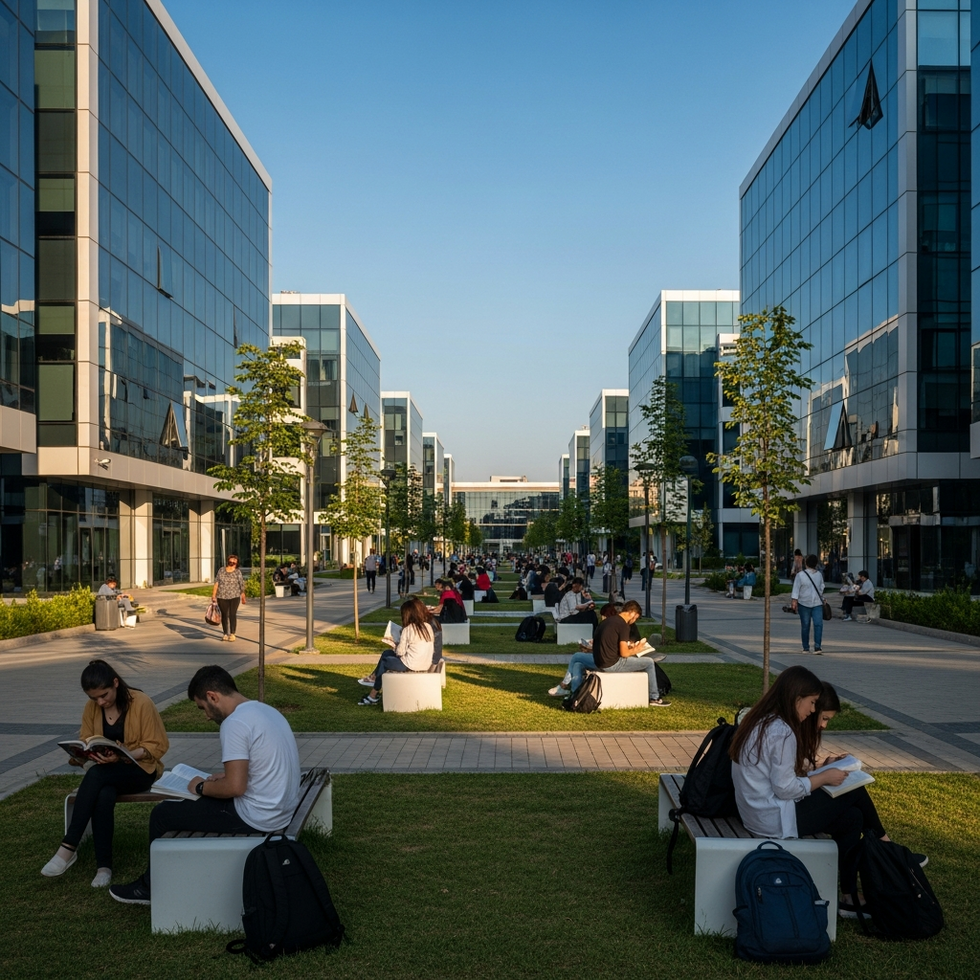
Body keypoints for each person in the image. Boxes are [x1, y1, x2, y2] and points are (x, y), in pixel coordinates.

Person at [730, 668, 926, 918]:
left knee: (853, 818)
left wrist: (820, 770)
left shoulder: (761, 720)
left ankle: (848, 896)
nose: (813, 710)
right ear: (796, 697)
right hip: (774, 819)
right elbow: (785, 788)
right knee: (855, 792)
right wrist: (824, 777)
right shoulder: (782, 731)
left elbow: (778, 779)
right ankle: (892, 853)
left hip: (758, 812)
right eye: (812, 703)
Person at [109, 665, 300, 906]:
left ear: (212, 696)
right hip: (280, 808)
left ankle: (150, 888)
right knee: (189, 803)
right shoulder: (263, 710)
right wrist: (223, 777)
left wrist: (200, 787)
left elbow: (235, 788)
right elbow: (261, 764)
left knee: (162, 814)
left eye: (203, 707)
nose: (206, 716)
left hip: (259, 816)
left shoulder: (234, 723)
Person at [42, 660, 169, 888]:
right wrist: (84, 753)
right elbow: (87, 739)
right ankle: (104, 868)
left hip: (140, 770)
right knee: (104, 793)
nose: (100, 702)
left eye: (104, 695)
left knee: (97, 777)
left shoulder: (141, 703)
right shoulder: (92, 708)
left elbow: (157, 745)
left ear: (116, 683)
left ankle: (69, 847)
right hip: (106, 772)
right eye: (94, 698)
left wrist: (124, 755)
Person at [357, 597, 435, 705]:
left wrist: (396, 644)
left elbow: (400, 653)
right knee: (386, 653)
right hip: (424, 663)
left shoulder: (408, 629)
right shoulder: (427, 627)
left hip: (410, 664)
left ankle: (373, 695)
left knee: (385, 661)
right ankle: (374, 677)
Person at [591, 599, 670, 706]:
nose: (634, 621)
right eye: (636, 618)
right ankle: (654, 697)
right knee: (649, 662)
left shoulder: (608, 621)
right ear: (632, 613)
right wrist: (637, 649)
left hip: (599, 661)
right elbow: (624, 654)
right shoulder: (623, 625)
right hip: (612, 664)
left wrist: (629, 647)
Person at [791, 553, 825, 654]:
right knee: (810, 625)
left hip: (816, 603)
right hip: (804, 604)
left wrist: (794, 601)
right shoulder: (801, 575)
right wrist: (795, 600)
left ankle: (816, 647)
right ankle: (807, 647)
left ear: (806, 563)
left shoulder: (818, 575)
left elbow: (796, 589)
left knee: (814, 624)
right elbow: (822, 587)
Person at [211, 554, 246, 642]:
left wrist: (243, 595)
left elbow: (241, 584)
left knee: (232, 614)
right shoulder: (221, 570)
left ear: (237, 563)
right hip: (222, 596)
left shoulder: (237, 572)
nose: (233, 562)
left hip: (234, 596)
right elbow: (216, 583)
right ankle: (225, 633)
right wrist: (214, 595)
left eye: (235, 561)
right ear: (228, 561)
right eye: (231, 560)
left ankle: (232, 633)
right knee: (224, 614)